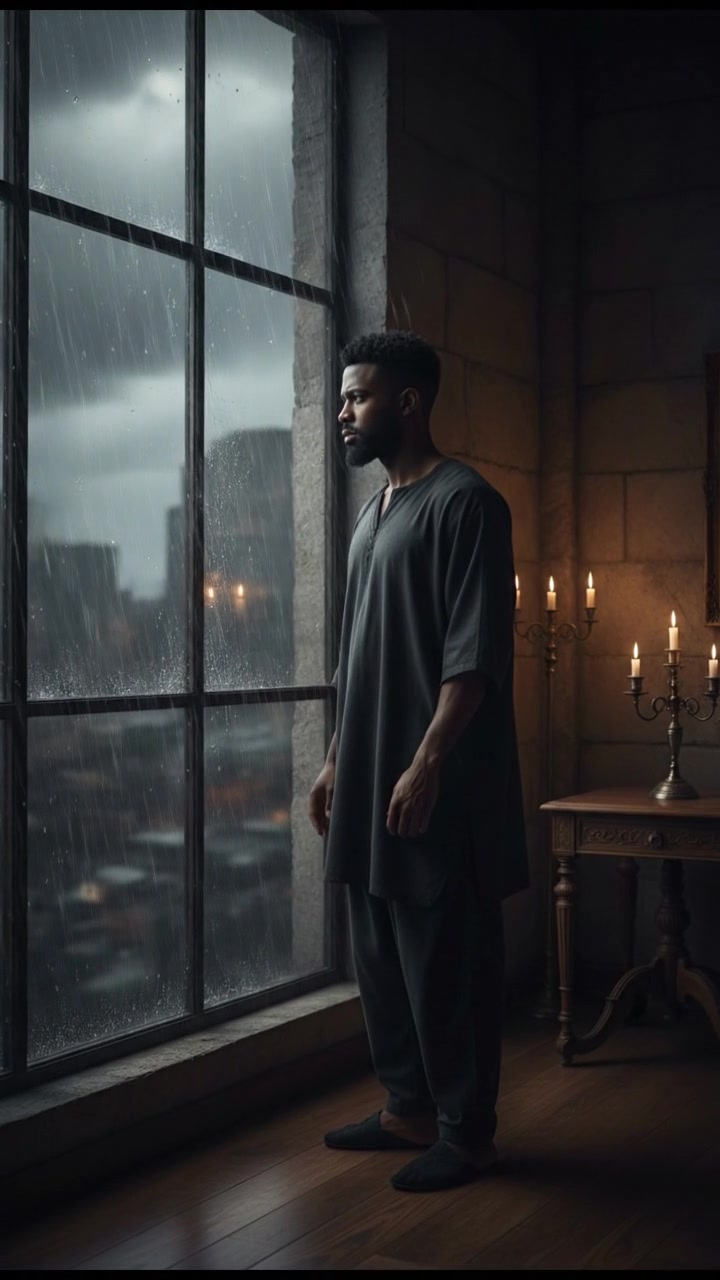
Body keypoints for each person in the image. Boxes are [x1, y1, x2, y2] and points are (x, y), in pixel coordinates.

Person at [308, 330, 528, 1193]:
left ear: (408, 402)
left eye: (356, 397)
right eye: (341, 398)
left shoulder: (468, 502)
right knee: (377, 951)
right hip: (366, 778)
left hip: (435, 781)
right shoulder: (374, 516)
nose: (342, 413)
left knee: (444, 955)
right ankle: (406, 1108)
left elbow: (473, 657)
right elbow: (357, 655)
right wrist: (334, 762)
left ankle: (468, 1132)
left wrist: (429, 760)